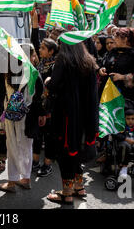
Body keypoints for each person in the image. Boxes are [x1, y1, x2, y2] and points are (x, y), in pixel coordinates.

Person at [44, 41, 98, 205]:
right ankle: (79, 187)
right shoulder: (88, 61)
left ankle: (67, 193)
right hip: (85, 115)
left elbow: (53, 86)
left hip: (66, 116)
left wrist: (47, 81)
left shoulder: (64, 60)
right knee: (77, 150)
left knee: (66, 153)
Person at [0, 49, 45, 193]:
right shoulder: (33, 73)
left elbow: (1, 91)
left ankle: (12, 181)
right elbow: (39, 96)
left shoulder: (8, 71)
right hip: (28, 116)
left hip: (11, 113)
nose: (35, 56)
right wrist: (41, 114)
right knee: (26, 146)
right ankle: (26, 178)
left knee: (12, 145)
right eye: (33, 54)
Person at [31, 10, 58, 177]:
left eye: (43, 48)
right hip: (37, 105)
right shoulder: (41, 63)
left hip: (49, 108)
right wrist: (35, 24)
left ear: (52, 52)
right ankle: (34, 162)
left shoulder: (56, 66)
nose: (39, 50)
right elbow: (34, 41)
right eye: (40, 48)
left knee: (48, 137)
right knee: (36, 136)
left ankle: (47, 164)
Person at [117, 108, 134, 180]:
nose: (130, 121)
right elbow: (117, 135)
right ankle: (124, 167)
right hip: (123, 145)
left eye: (132, 119)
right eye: (128, 119)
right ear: (124, 119)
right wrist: (126, 139)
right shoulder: (121, 128)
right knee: (126, 145)